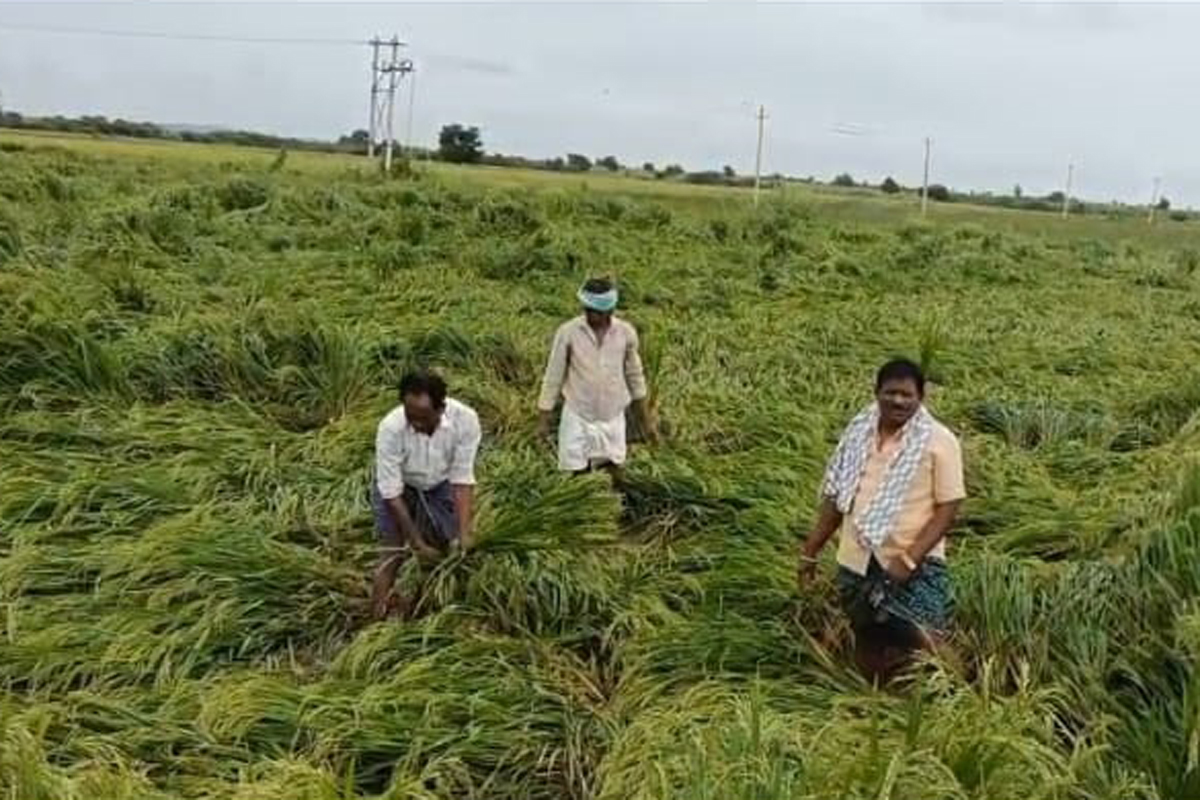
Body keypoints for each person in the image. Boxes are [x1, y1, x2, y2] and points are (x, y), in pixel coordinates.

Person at [798, 358, 965, 683]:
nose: (899, 401)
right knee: (867, 634)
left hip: (913, 560)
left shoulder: (939, 441)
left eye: (907, 395)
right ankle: (872, 703)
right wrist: (810, 551)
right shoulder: (858, 433)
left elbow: (949, 507)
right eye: (891, 393)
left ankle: (961, 699)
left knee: (927, 637)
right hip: (857, 559)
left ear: (921, 397)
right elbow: (836, 499)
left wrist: (909, 559)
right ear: (877, 393)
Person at [370, 370, 481, 620]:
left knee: (443, 547)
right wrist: (416, 543)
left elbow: (462, 478)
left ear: (441, 408)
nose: (416, 424)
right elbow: (391, 492)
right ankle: (375, 622)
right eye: (411, 417)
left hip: (438, 484)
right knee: (392, 553)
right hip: (401, 487)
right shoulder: (391, 428)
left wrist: (464, 532)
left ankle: (426, 609)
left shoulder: (465, 420)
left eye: (423, 417)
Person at [537, 277, 656, 477]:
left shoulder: (625, 333)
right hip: (578, 414)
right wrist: (543, 420)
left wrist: (645, 420)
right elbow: (553, 377)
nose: (590, 315)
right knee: (576, 472)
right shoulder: (568, 332)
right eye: (587, 309)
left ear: (610, 310)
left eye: (596, 312)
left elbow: (635, 377)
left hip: (612, 415)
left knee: (613, 470)